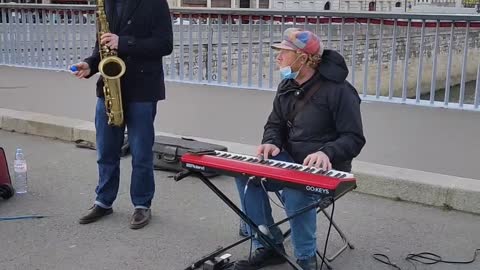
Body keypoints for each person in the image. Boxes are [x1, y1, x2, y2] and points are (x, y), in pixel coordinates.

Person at [233, 28, 366, 270]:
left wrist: (327, 152)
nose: (278, 58)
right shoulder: (286, 85)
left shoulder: (340, 91)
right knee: (247, 176)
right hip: (289, 162)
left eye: (284, 52)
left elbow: (354, 138)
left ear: (303, 58)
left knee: (296, 192)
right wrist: (271, 142)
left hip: (328, 169)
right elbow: (274, 124)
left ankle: (306, 260)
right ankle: (268, 244)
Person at [70, 0, 173, 229]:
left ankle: (141, 205)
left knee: (141, 153)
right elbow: (102, 47)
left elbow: (165, 44)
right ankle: (103, 201)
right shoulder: (104, 2)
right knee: (106, 150)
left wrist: (124, 42)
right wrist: (90, 64)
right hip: (109, 85)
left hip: (143, 86)